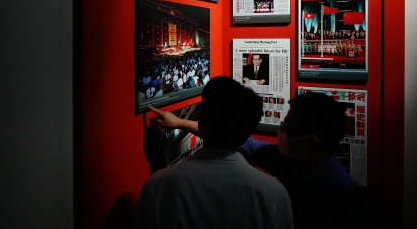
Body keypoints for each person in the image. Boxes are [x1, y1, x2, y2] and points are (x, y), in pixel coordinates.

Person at [152, 91, 365, 229]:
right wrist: (180, 122)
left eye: (286, 126)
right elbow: (238, 140)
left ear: (310, 142)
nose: (280, 130)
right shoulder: (292, 158)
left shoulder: (346, 202)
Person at [134, 76, 293, 229]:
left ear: (199, 117)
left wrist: (180, 123)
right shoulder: (274, 194)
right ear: (249, 129)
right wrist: (180, 122)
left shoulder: (156, 186)